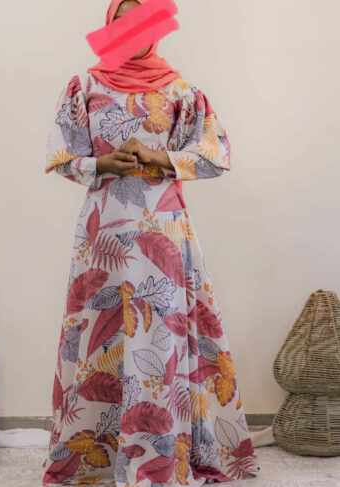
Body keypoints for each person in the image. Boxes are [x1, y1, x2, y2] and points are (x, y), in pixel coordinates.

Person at [41, 1, 260, 485]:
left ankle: (159, 459)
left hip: (162, 230)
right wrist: (100, 164)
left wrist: (159, 157)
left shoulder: (182, 90)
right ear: (109, 26)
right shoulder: (85, 86)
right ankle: (96, 458)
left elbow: (216, 154)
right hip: (103, 233)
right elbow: (60, 155)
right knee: (101, 336)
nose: (132, 31)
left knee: (159, 337)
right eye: (122, 21)